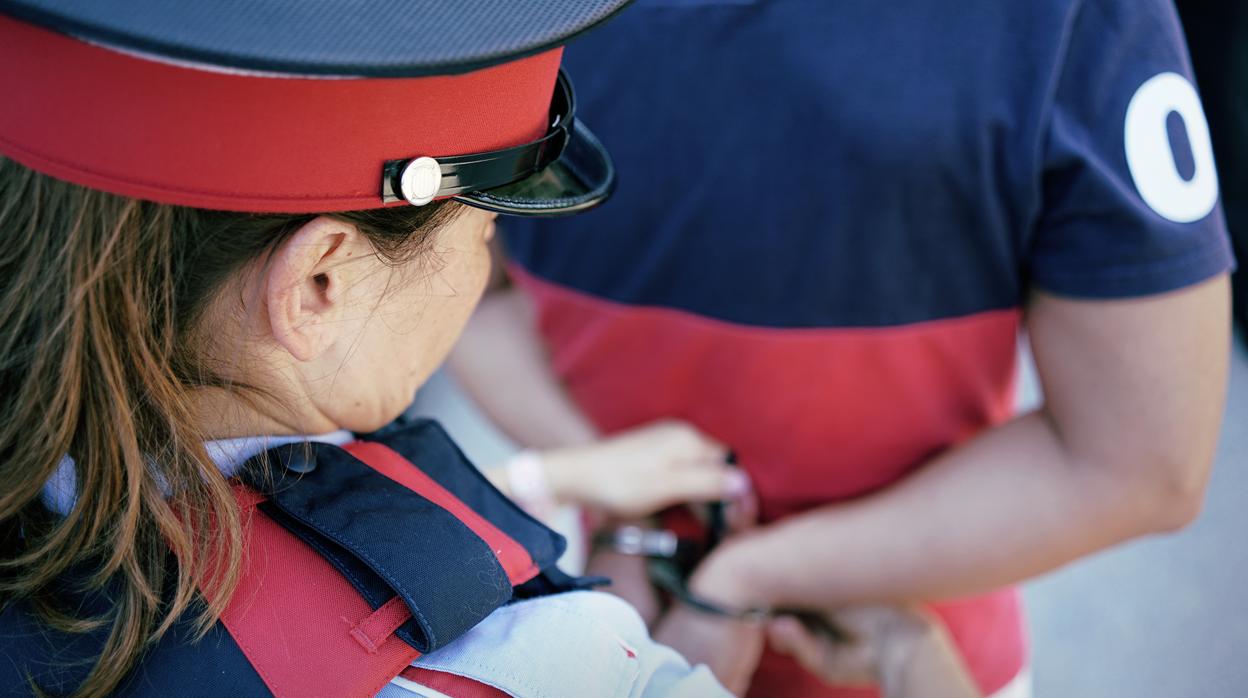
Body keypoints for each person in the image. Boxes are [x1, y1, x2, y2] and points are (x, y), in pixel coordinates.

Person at [449, 0, 1235, 696]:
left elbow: (1145, 460)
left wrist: (750, 572)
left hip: (905, 647)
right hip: (619, 627)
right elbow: (460, 292)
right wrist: (602, 473)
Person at [0, 2, 734, 696]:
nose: (481, 275)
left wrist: (546, 480)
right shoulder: (547, 659)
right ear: (320, 283)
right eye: (482, 234)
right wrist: (733, 601)